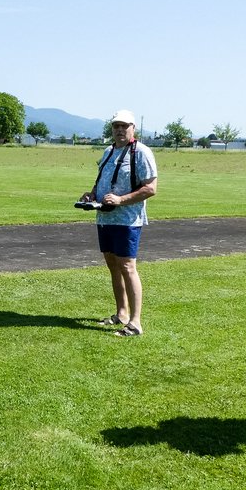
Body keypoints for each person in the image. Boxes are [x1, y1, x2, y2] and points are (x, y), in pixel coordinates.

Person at [78, 109, 158, 337]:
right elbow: (102, 180)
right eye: (116, 126)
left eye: (125, 126)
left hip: (127, 220)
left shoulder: (141, 152)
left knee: (127, 267)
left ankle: (135, 322)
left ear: (134, 128)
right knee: (112, 264)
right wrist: (91, 195)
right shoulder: (109, 151)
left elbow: (151, 188)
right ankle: (121, 313)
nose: (120, 130)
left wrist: (121, 200)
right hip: (104, 217)